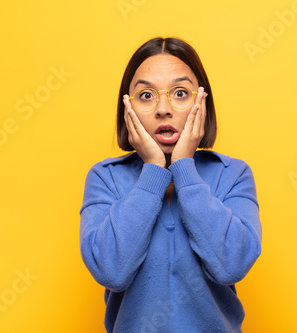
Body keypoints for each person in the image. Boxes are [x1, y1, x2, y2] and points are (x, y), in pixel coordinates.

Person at [79, 37, 262, 333]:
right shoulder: (105, 177)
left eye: (180, 93)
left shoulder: (232, 174)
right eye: (146, 95)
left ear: (202, 102)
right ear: (128, 108)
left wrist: (184, 168)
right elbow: (111, 271)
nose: (163, 109)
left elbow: (231, 266)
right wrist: (153, 168)